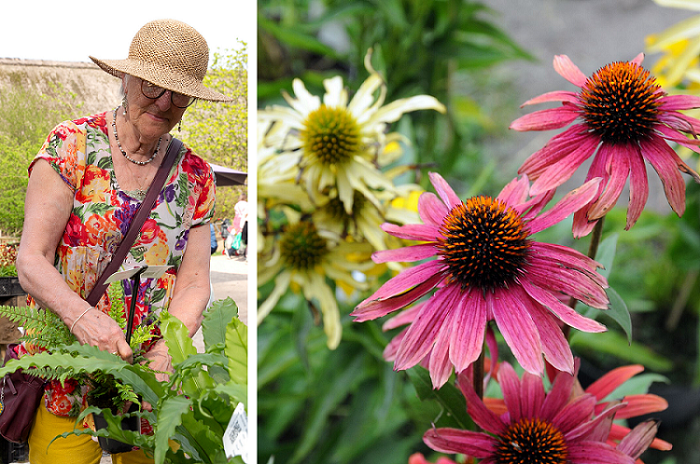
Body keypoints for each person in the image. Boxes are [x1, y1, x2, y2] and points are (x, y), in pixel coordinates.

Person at [15, 19, 233, 464]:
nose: (164, 102)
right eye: (153, 87)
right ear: (127, 77)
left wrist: (167, 351)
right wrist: (84, 320)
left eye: (179, 93)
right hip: (67, 367)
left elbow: (194, 282)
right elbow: (31, 260)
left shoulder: (196, 175)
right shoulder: (72, 145)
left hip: (146, 381)